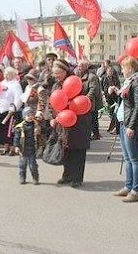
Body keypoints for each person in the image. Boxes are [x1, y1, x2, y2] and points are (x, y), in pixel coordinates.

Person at [52, 59, 92, 188]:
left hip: (79, 123)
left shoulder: (75, 82)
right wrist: (53, 117)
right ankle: (67, 175)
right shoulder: (56, 85)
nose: (55, 76)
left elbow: (83, 102)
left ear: (65, 71)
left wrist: (70, 107)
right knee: (66, 150)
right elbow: (52, 103)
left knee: (78, 151)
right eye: (54, 73)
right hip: (63, 123)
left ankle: (77, 178)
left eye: (57, 73)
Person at [112, 56, 138, 203]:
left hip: (130, 125)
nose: (122, 70)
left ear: (131, 68)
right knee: (127, 158)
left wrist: (132, 125)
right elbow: (126, 101)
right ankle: (128, 186)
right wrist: (116, 91)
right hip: (122, 122)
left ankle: (136, 190)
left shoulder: (137, 82)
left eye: (123, 67)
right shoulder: (129, 82)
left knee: (135, 159)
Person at [0, 67, 23, 156]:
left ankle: (12, 148)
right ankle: (5, 147)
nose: (6, 75)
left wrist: (14, 107)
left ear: (13, 75)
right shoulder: (2, 84)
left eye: (8, 74)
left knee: (10, 131)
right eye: (5, 74)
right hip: (1, 109)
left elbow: (18, 98)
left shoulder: (16, 85)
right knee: (3, 130)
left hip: (10, 111)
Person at [14, 107, 40, 185]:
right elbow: (16, 138)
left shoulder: (36, 125)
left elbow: (41, 135)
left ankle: (35, 178)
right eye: (28, 115)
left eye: (31, 114)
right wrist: (16, 146)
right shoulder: (20, 127)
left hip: (32, 148)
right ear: (24, 116)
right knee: (22, 165)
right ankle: (22, 177)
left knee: (33, 165)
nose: (30, 116)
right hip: (23, 149)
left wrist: (38, 131)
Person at [77, 59, 102, 140]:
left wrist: (86, 99)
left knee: (92, 119)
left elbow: (93, 89)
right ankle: (92, 134)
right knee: (88, 120)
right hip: (82, 102)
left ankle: (95, 134)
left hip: (90, 102)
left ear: (86, 67)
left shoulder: (92, 77)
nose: (79, 68)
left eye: (81, 66)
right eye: (78, 66)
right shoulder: (78, 75)